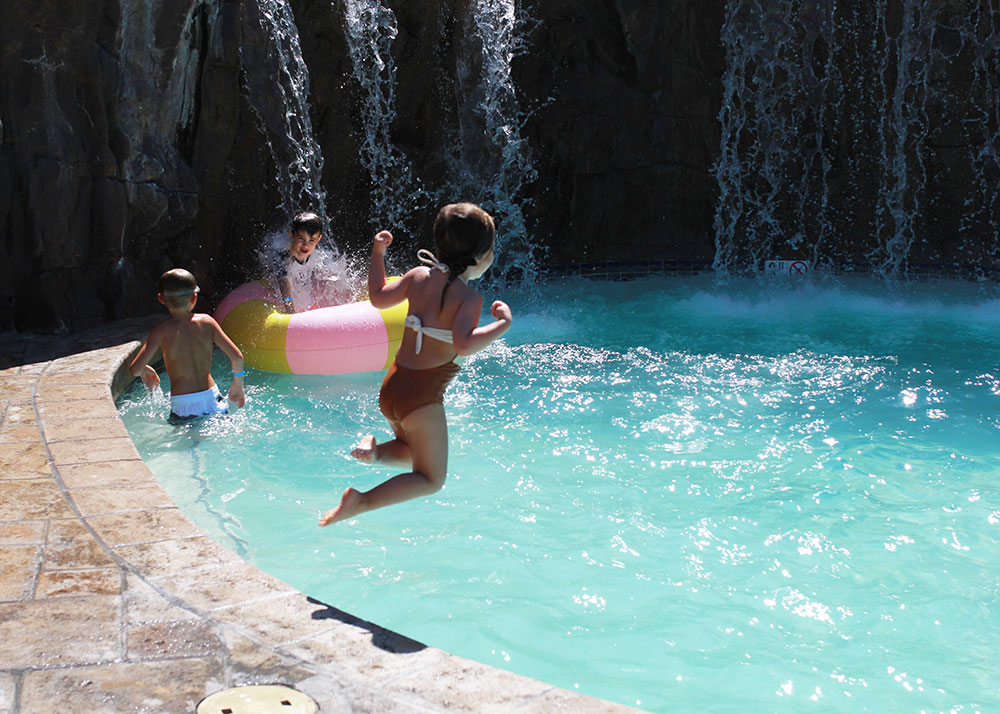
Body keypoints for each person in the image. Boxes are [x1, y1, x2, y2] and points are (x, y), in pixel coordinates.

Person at [319, 202, 513, 526]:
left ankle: (376, 451)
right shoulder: (468, 298)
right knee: (431, 478)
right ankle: (361, 501)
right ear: (479, 256)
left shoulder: (418, 276)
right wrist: (501, 325)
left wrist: (378, 253)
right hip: (421, 396)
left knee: (414, 452)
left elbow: (379, 297)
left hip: (392, 387)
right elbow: (465, 344)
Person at [129, 268, 247, 419]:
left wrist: (146, 369)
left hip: (183, 404)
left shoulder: (160, 331)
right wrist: (238, 385)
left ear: (161, 299)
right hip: (212, 397)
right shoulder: (207, 322)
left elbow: (135, 370)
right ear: (194, 297)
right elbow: (237, 358)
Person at [273, 211, 352, 313]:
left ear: (318, 239)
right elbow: (284, 285)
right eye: (302, 239)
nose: (306, 245)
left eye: (312, 241)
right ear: (291, 235)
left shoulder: (316, 256)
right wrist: (291, 312)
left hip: (308, 304)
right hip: (285, 305)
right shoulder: (284, 258)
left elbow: (333, 275)